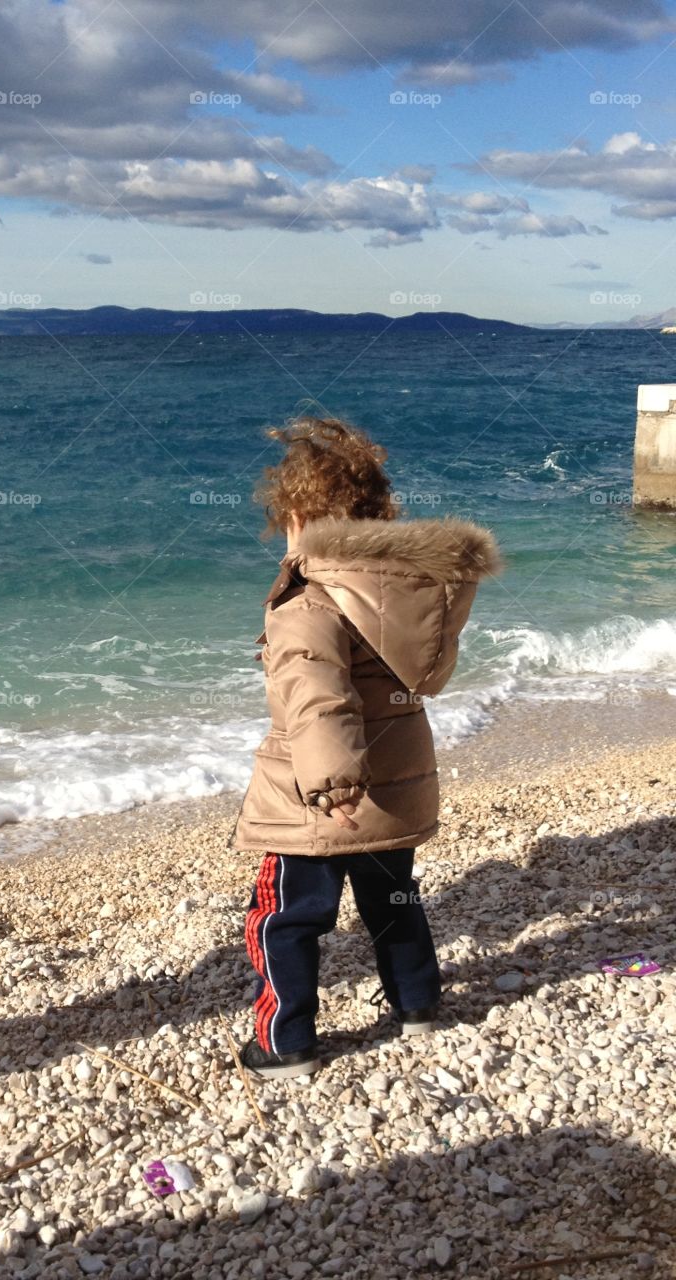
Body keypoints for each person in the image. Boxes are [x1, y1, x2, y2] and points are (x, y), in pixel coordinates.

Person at [228, 416, 503, 1079]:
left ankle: (285, 1041)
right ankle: (417, 1005)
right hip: (398, 786)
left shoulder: (308, 602)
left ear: (298, 521)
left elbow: (317, 695)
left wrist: (332, 784)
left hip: (320, 800)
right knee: (393, 901)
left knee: (285, 916)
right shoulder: (406, 593)